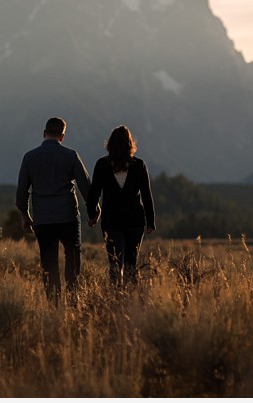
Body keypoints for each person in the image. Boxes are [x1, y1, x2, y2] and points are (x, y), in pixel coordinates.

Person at [16, 117, 91, 301]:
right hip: (68, 216)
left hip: (43, 218)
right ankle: (74, 298)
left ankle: (54, 305)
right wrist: (94, 210)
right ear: (62, 136)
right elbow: (86, 186)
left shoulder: (29, 157)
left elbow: (22, 190)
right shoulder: (71, 155)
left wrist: (25, 214)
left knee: (48, 263)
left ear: (44, 133)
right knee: (73, 256)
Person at [87, 125, 155, 286]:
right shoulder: (139, 165)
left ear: (110, 144)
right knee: (131, 263)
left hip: (111, 221)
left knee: (115, 263)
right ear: (130, 144)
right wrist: (151, 222)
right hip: (135, 221)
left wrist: (92, 215)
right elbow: (146, 195)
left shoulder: (102, 164)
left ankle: (115, 297)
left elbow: (93, 193)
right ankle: (130, 300)